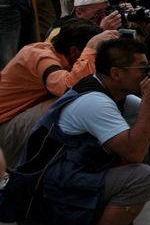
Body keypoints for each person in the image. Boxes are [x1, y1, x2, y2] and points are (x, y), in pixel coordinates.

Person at [7, 38, 150, 225]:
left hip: (60, 184)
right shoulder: (94, 102)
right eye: (143, 69)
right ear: (116, 73)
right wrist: (149, 101)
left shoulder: (108, 89)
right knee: (140, 176)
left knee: (139, 149)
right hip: (43, 208)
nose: (149, 74)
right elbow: (134, 152)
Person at [0, 19, 115, 168]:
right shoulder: (39, 55)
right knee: (71, 102)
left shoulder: (60, 54)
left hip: (19, 121)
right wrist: (91, 48)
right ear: (74, 51)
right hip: (5, 130)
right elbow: (68, 87)